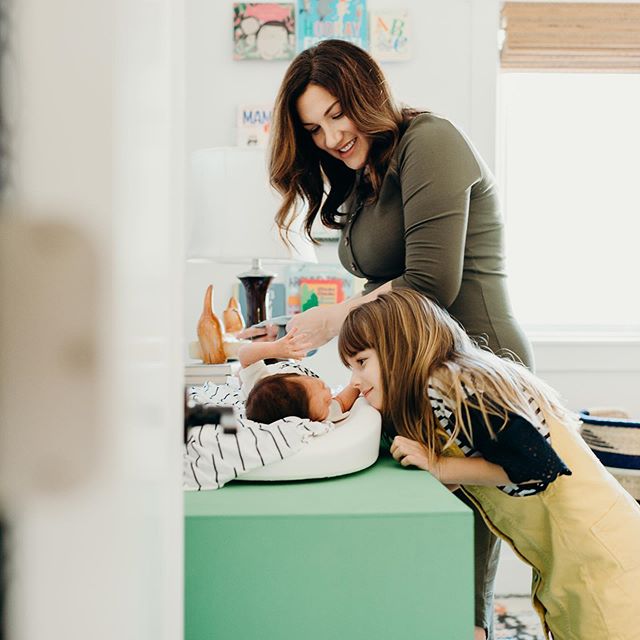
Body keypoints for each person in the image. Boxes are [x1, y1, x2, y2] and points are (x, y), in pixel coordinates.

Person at [266, 38, 533, 637]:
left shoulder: (431, 142)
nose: (331, 138)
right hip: (416, 370)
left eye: (337, 114)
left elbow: (431, 282)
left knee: (458, 570)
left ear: (368, 92)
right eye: (314, 128)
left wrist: (333, 319)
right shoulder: (364, 177)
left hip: (476, 370)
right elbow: (383, 285)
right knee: (414, 548)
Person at [337, 288, 640, 640]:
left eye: (361, 362)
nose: (354, 381)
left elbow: (539, 466)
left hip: (602, 562)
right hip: (585, 556)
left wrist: (439, 467)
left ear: (398, 349)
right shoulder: (450, 386)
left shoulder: (451, 383)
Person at [239, 328, 360, 424]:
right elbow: (342, 402)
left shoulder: (259, 386)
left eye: (322, 386)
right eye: (327, 402)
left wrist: (275, 348)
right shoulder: (322, 415)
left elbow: (244, 355)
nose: (329, 392)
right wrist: (358, 379)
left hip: (278, 366)